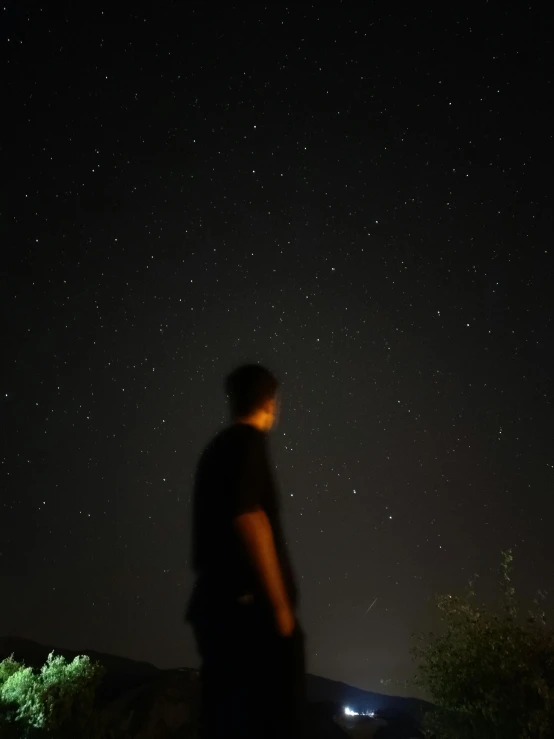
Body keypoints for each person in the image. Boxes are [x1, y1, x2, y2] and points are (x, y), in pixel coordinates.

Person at [186, 363, 306, 738]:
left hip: (217, 610)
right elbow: (249, 517)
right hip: (247, 614)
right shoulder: (248, 442)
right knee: (272, 721)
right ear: (270, 401)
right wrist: (280, 607)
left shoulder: (215, 450)